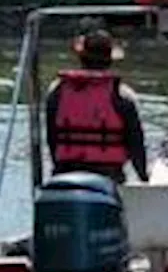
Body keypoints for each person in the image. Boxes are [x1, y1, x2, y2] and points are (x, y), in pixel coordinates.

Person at [44, 29, 149, 184]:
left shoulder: (57, 91)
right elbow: (135, 144)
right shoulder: (122, 95)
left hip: (65, 172)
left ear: (81, 57)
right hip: (109, 175)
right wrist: (143, 176)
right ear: (110, 60)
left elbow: (52, 138)